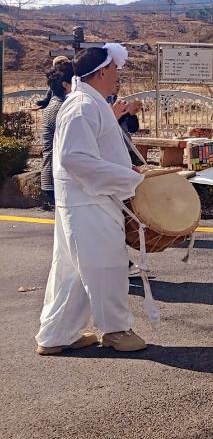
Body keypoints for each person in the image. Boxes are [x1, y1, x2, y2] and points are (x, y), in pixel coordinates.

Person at [35, 44, 147, 355]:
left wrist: (125, 170)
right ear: (100, 72)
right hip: (88, 202)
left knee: (74, 272)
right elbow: (76, 159)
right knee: (105, 266)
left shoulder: (87, 102)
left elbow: (92, 153)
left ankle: (57, 335)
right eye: (114, 69)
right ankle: (116, 330)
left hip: (89, 200)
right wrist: (128, 178)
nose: (117, 75)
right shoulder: (83, 105)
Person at [39, 60, 74, 210]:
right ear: (65, 85)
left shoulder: (57, 103)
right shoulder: (59, 107)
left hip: (55, 175)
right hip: (54, 177)